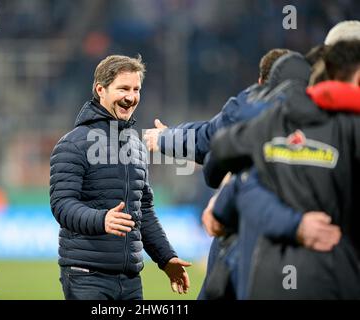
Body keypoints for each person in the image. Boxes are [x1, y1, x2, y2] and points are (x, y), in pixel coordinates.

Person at [204, 40, 360, 299]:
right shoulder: (347, 128)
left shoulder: (273, 119)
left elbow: (224, 156)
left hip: (268, 279)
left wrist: (221, 206)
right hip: (334, 276)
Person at [143, 48, 290, 299]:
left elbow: (208, 137)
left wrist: (167, 138)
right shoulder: (325, 118)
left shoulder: (247, 107)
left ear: (260, 82)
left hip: (245, 228)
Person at [49, 54, 191, 300]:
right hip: (86, 277)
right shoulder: (72, 144)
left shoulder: (135, 146)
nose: (131, 96)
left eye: (136, 89)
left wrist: (166, 257)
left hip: (130, 280)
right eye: (123, 88)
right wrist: (101, 219)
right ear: (100, 90)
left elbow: (143, 211)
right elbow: (62, 205)